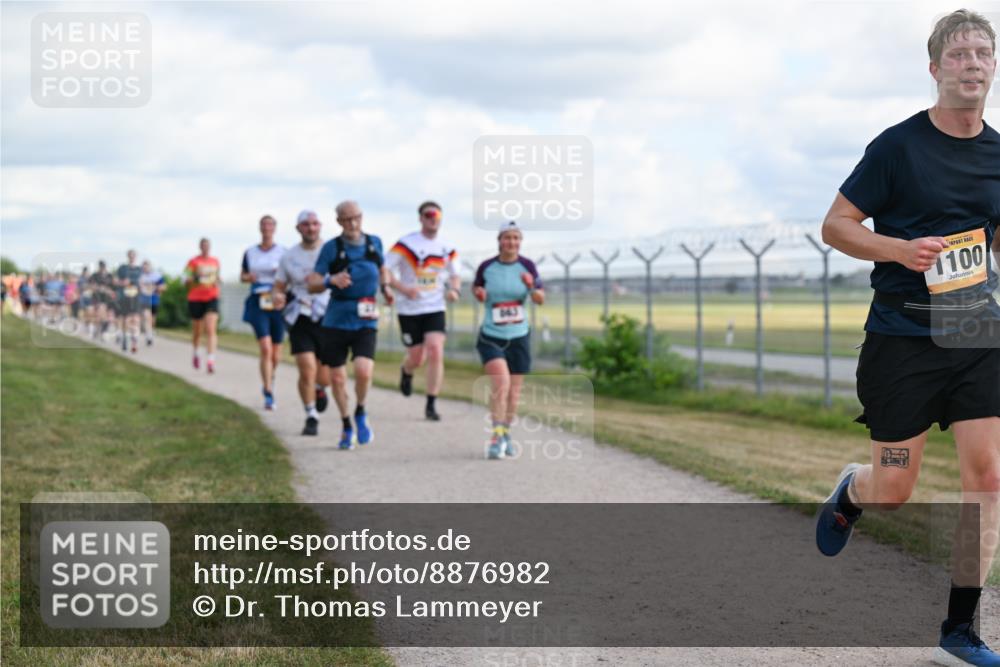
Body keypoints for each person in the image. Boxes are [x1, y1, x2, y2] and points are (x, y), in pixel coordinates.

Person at [815, 10, 1000, 666]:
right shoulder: (897, 147)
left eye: (982, 52)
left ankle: (959, 629)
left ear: (994, 67)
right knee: (896, 485)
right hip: (901, 335)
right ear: (935, 69)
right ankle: (852, 491)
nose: (972, 63)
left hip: (973, 325)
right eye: (958, 54)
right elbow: (836, 226)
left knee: (990, 476)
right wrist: (899, 249)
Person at [307, 200, 394, 450]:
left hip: (366, 317)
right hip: (336, 319)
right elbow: (312, 283)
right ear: (338, 222)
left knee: (364, 371)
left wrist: (386, 288)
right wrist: (330, 279)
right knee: (336, 378)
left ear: (362, 217)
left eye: (356, 217)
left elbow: (382, 269)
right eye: (346, 219)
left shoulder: (374, 242)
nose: (352, 223)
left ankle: (361, 411)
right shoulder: (331, 249)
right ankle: (346, 425)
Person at [472, 221, 545, 460]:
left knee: (514, 393)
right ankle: (495, 436)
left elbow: (539, 298)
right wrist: (480, 294)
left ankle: (505, 434)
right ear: (499, 240)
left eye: (516, 238)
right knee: (500, 383)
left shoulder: (527, 266)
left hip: (519, 336)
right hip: (492, 335)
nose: (511, 242)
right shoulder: (487, 267)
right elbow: (477, 289)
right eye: (507, 237)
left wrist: (530, 285)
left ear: (520, 242)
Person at [385, 201, 461, 420]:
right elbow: (385, 270)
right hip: (409, 309)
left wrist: (454, 290)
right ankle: (406, 371)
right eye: (428, 215)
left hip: (435, 307)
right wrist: (403, 288)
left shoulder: (447, 248)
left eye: (436, 215)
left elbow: (455, 274)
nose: (433, 219)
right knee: (417, 358)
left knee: (436, 349)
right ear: (420, 218)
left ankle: (431, 403)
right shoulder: (405, 244)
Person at [273, 210, 332, 436]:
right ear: (298, 228)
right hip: (300, 315)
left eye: (315, 224)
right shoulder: (289, 256)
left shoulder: (331, 252)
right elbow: (279, 284)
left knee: (324, 372)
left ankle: (320, 389)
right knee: (307, 369)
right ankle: (310, 415)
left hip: (327, 314)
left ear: (321, 226)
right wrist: (278, 295)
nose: (311, 228)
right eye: (306, 224)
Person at [241, 215, 286, 411]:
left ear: (274, 228)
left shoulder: (283, 252)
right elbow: (242, 275)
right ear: (260, 228)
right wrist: (248, 277)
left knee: (276, 353)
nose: (267, 228)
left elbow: (290, 276)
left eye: (270, 225)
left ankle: (270, 377)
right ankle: (268, 391)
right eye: (264, 225)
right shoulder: (250, 252)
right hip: (259, 301)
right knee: (266, 348)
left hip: (277, 302)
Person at [184, 238, 221, 374]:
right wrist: (195, 277)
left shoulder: (215, 261)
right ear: (200, 247)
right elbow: (185, 280)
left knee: (211, 329)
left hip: (212, 296)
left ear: (210, 247)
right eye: (203, 245)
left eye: (207, 245)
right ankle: (196, 353)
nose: (205, 247)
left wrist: (217, 281)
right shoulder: (193, 262)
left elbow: (217, 277)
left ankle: (210, 360)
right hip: (195, 297)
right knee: (197, 331)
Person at [116, 250, 143, 353]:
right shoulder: (122, 268)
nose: (132, 257)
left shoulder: (139, 269)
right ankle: (125, 339)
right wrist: (123, 282)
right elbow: (116, 281)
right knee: (126, 319)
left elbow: (143, 282)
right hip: (125, 296)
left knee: (135, 319)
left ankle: (134, 343)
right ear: (128, 256)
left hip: (136, 297)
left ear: (136, 256)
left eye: (133, 255)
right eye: (130, 255)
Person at [139, 260, 166, 346]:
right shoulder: (140, 276)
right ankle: (149, 335)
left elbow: (164, 287)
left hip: (154, 299)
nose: (145, 268)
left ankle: (150, 333)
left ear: (150, 267)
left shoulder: (157, 276)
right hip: (144, 299)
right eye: (144, 267)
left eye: (147, 267)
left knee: (152, 319)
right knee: (147, 317)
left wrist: (156, 288)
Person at [88, 261, 116, 339]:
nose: (102, 268)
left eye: (103, 266)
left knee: (105, 315)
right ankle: (99, 330)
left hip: (107, 298)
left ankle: (101, 330)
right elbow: (91, 285)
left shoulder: (110, 276)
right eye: (101, 266)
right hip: (97, 297)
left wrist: (109, 291)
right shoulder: (95, 275)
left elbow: (113, 287)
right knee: (97, 314)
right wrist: (98, 288)